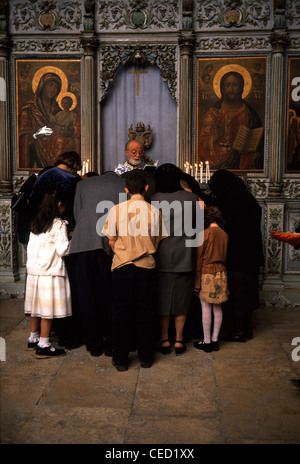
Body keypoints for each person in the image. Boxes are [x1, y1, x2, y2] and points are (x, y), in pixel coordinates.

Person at [102, 170, 167, 371]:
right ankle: (146, 357)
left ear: (126, 190)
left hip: (122, 265)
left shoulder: (116, 210)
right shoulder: (154, 211)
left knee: (121, 311)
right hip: (146, 267)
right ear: (146, 189)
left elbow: (111, 240)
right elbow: (157, 243)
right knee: (146, 311)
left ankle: (121, 359)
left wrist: (123, 251)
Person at [69, 171, 127, 357]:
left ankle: (93, 343)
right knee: (110, 294)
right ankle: (111, 342)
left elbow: (77, 214)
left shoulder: (82, 185)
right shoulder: (123, 183)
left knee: (86, 295)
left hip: (82, 243)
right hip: (109, 245)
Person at [30, 151, 82, 348]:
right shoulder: (74, 180)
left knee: (38, 297)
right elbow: (76, 209)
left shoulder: (44, 175)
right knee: (61, 293)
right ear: (75, 165)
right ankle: (62, 333)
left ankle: (36, 334)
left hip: (39, 229)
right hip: (62, 233)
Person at [208, 169, 264, 342]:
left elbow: (226, 223)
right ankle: (247, 328)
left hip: (238, 252)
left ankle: (238, 330)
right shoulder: (248, 197)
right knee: (249, 289)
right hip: (253, 252)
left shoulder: (230, 200)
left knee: (238, 290)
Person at [151, 164, 201, 356]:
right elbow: (197, 229)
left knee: (162, 301)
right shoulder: (192, 198)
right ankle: (179, 340)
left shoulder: (153, 200)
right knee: (182, 301)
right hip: (186, 256)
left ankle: (164, 339)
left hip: (161, 257)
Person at [24, 190, 71, 358]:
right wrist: (72, 241)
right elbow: (63, 250)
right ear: (59, 205)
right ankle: (44, 344)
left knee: (35, 308)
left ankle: (33, 337)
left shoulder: (36, 222)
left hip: (34, 271)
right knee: (47, 310)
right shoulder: (58, 224)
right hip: (49, 272)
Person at [197, 71, 263, 170]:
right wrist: (215, 136)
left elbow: (260, 143)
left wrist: (249, 147)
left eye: (235, 85)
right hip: (216, 161)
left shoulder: (249, 113)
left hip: (242, 160)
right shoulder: (213, 113)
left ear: (241, 88)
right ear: (222, 88)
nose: (231, 89)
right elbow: (201, 144)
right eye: (227, 85)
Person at [193, 206, 229, 353]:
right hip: (221, 273)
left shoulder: (204, 234)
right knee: (218, 307)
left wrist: (196, 283)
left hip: (207, 273)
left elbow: (198, 260)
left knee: (205, 307)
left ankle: (206, 341)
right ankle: (215, 340)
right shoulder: (225, 234)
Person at [18, 72, 62, 169]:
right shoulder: (28, 109)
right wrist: (36, 134)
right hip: (36, 156)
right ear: (42, 86)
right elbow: (22, 138)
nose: (53, 90)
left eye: (56, 88)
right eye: (50, 85)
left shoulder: (59, 111)